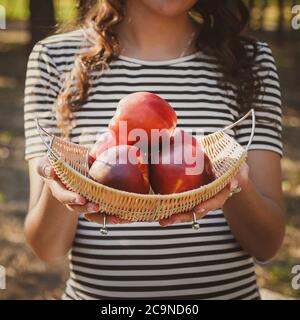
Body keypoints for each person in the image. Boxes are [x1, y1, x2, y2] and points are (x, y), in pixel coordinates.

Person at [24, 0, 285, 300]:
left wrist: (234, 179)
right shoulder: (53, 59)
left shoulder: (249, 60)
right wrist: (62, 175)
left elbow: (267, 245)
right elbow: (46, 248)